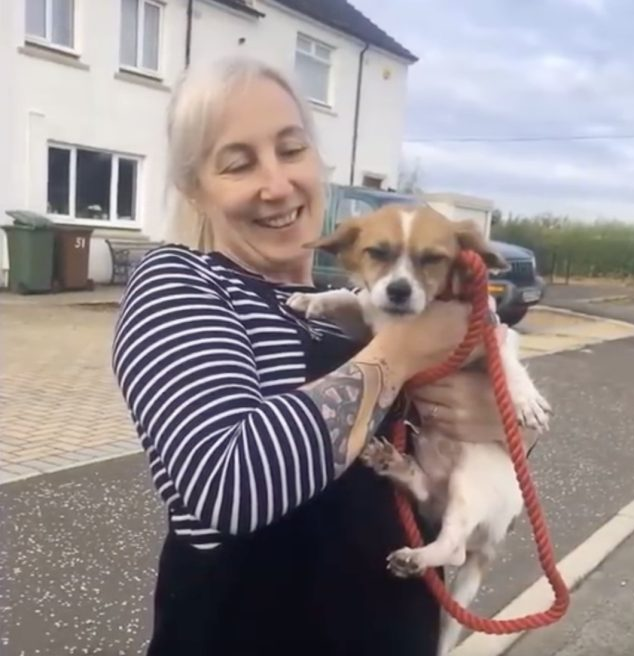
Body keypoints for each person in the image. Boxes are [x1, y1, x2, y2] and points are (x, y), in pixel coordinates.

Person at [111, 55, 508, 656]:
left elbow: (472, 454)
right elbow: (228, 483)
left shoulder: (353, 304)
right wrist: (400, 352)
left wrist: (495, 419)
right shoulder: (180, 284)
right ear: (195, 188)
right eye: (239, 164)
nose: (276, 185)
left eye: (292, 150)